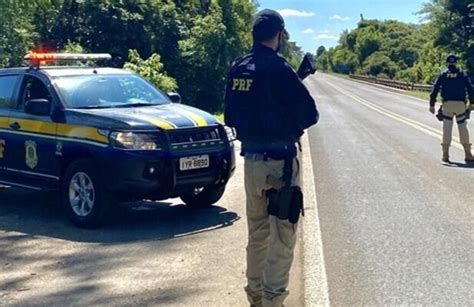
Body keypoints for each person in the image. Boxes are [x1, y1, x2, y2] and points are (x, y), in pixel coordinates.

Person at [224, 9, 319, 307]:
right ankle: (273, 301)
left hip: (251, 164)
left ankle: (255, 296)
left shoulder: (238, 67)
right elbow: (309, 115)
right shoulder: (279, 69)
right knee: (283, 237)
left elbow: (232, 115)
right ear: (279, 35)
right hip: (280, 165)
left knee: (258, 234)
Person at [430, 54, 474, 163]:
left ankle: (445, 154)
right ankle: (468, 154)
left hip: (447, 104)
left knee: (447, 128)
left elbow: (435, 89)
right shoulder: (461, 73)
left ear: (447, 63)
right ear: (456, 63)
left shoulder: (443, 74)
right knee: (463, 127)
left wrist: (432, 104)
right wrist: (472, 103)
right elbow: (470, 88)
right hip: (460, 104)